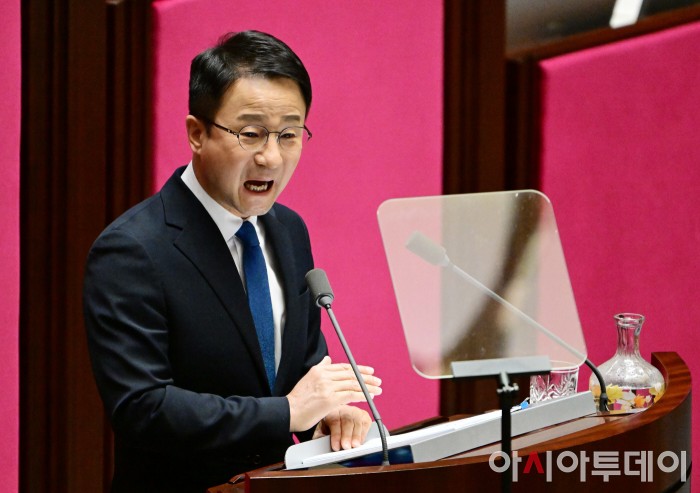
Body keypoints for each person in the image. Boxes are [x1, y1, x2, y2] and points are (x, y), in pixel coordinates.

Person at [83, 30, 382, 492]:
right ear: (197, 134)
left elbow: (299, 369)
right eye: (251, 134)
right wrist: (287, 412)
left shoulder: (288, 230)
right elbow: (142, 408)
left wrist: (325, 415)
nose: (271, 157)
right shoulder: (132, 250)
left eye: (289, 135)